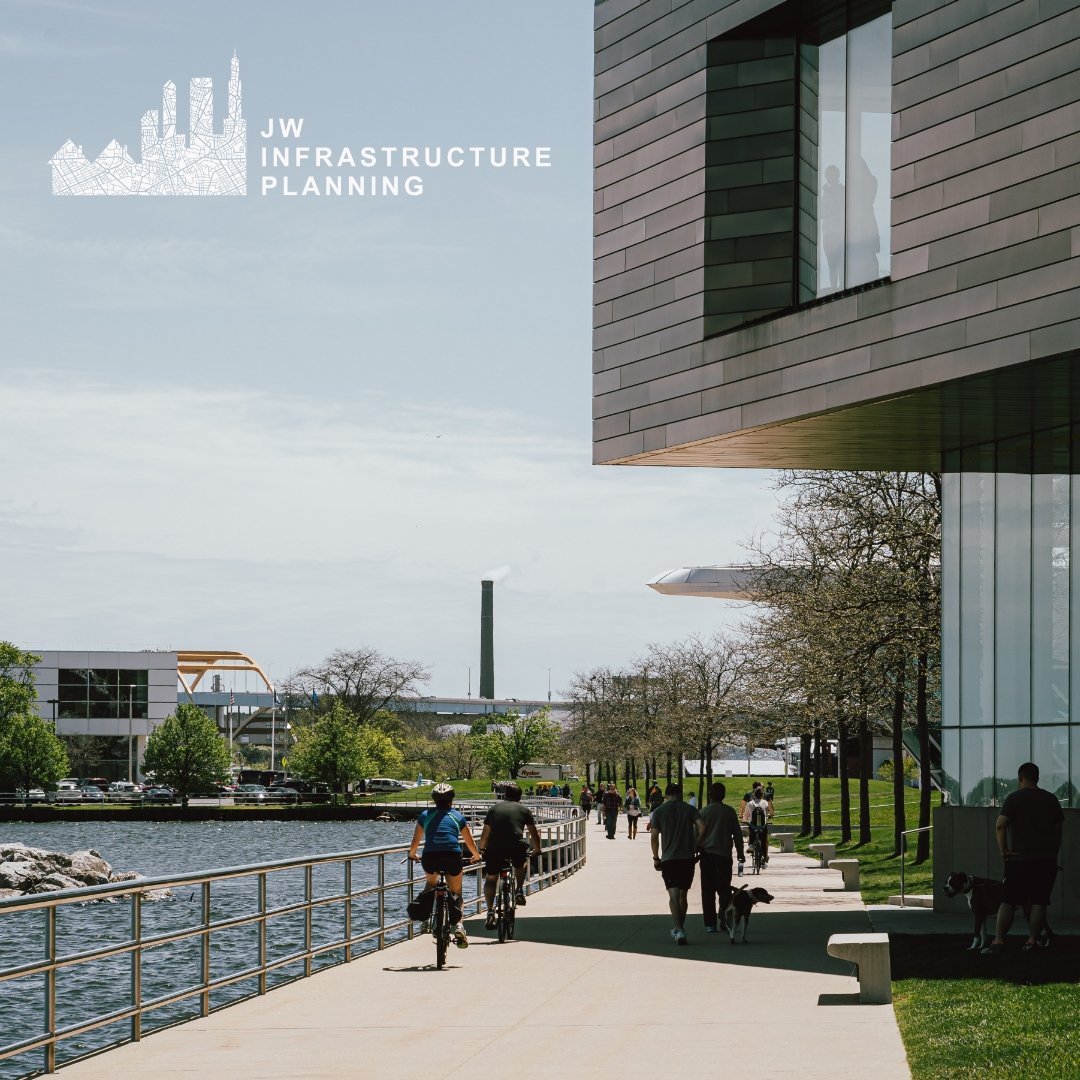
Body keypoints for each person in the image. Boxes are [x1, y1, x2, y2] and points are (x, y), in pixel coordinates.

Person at [982, 762, 1064, 954]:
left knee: (1008, 901)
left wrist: (1004, 851)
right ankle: (1032, 941)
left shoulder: (1014, 799)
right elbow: (1058, 830)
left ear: (1020, 778)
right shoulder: (1051, 799)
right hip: (1045, 860)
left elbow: (1000, 825)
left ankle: (999, 942)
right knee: (1039, 901)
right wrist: (1053, 854)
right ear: (1037, 777)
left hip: (1018, 860)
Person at [407, 783, 481, 949]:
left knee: (431, 884)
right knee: (456, 893)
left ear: (434, 800)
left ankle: (425, 921)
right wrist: (476, 856)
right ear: (451, 799)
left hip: (430, 857)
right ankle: (460, 926)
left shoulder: (425, 815)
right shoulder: (457, 816)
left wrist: (412, 854)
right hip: (452, 856)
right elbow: (469, 842)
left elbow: (416, 841)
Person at [478, 781, 543, 929]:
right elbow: (533, 832)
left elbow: (485, 832)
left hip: (495, 847)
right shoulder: (524, 810)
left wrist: (481, 849)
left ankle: (489, 911)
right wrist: (537, 849)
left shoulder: (494, 809)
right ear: (520, 798)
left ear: (505, 795)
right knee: (520, 864)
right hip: (515, 845)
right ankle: (519, 889)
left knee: (491, 877)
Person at [650, 783, 699, 945]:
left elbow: (654, 836)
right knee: (683, 895)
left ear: (666, 795)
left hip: (669, 858)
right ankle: (680, 929)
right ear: (680, 794)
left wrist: (656, 857)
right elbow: (702, 825)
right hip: (687, 857)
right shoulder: (690, 810)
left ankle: (679, 930)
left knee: (673, 895)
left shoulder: (659, 811)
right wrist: (697, 843)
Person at [695, 781, 745, 933]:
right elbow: (737, 834)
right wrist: (740, 853)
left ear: (710, 795)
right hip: (724, 856)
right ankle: (724, 913)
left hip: (707, 856)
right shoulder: (729, 812)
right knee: (724, 889)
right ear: (723, 795)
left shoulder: (703, 812)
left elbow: (697, 834)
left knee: (707, 891)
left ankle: (710, 924)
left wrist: (695, 849)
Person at [742, 786, 771, 865]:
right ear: (762, 795)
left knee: (751, 833)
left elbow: (746, 816)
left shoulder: (750, 804)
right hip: (763, 826)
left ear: (754, 795)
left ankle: (751, 844)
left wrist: (744, 821)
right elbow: (767, 813)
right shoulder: (765, 802)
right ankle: (765, 857)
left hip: (753, 826)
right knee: (764, 840)